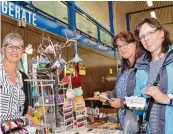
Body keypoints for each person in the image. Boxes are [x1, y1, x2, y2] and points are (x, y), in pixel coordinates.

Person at [132, 17, 173, 134]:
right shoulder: (141, 66)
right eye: (142, 36)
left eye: (150, 33)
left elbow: (165, 98)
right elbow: (138, 99)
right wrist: (137, 107)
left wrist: (166, 98)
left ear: (162, 33)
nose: (146, 39)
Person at [99, 31, 144, 129]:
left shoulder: (142, 68)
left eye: (125, 44)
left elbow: (145, 100)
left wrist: (122, 102)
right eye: (119, 46)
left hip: (138, 124)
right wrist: (107, 95)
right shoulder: (123, 71)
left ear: (135, 43)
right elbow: (118, 92)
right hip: (124, 123)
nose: (122, 48)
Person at [0, 33, 34, 126]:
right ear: (2, 50)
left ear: (22, 51)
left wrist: (28, 114)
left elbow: (30, 103)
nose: (14, 50)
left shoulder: (24, 77)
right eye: (10, 46)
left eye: (18, 47)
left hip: (18, 129)